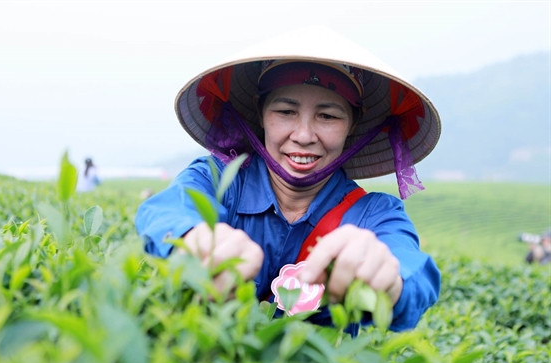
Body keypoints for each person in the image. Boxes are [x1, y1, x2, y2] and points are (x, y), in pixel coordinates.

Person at [135, 27, 441, 332]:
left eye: (328, 116)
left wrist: (389, 277)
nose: (304, 136)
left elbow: (414, 272)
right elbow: (165, 210)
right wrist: (193, 237)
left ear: (353, 124)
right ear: (261, 113)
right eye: (285, 111)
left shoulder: (374, 214)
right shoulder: (220, 180)